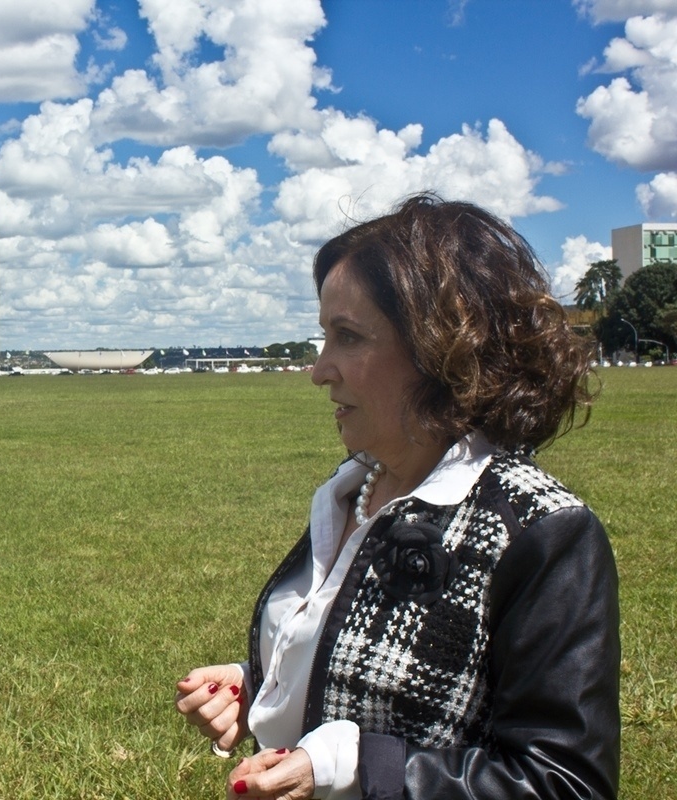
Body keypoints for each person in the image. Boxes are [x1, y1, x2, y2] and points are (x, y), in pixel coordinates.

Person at [174, 194, 619, 800]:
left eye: (348, 337)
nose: (319, 370)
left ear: (442, 350)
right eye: (324, 336)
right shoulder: (353, 488)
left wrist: (354, 768)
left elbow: (564, 782)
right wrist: (257, 685)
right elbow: (370, 664)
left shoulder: (543, 532)